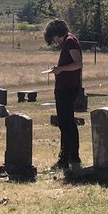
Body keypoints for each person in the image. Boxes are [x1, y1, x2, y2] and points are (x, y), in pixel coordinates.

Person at [44, 19, 83, 169]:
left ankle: (68, 158)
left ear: (57, 33)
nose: (55, 42)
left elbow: (78, 64)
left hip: (67, 89)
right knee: (66, 124)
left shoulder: (70, 41)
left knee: (66, 124)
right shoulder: (69, 41)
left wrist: (60, 69)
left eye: (53, 38)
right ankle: (70, 156)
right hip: (65, 87)